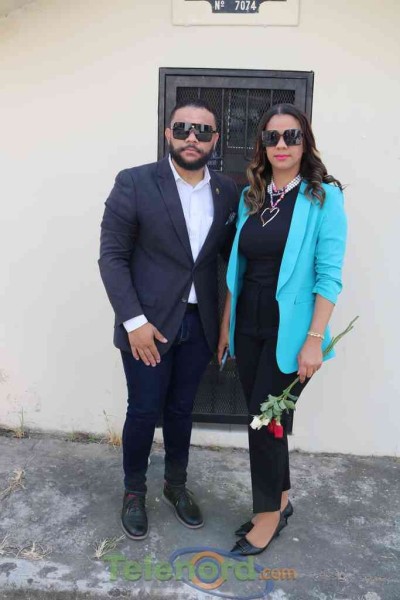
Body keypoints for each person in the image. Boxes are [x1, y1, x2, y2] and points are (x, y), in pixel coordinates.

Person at [98, 99, 238, 540]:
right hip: (149, 326)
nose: (192, 137)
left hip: (200, 323)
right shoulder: (135, 182)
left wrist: (226, 323)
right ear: (168, 134)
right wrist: (133, 322)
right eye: (183, 129)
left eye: (202, 130)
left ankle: (175, 485)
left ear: (215, 140)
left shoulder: (227, 191)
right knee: (143, 410)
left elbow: (231, 260)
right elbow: (112, 257)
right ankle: (134, 491)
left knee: (181, 409)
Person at [217, 103, 347, 556]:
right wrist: (226, 326)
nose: (281, 145)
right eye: (272, 137)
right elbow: (236, 269)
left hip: (291, 333)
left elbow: (329, 276)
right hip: (249, 325)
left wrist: (314, 341)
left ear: (305, 142)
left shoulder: (323, 197)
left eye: (291, 136)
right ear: (262, 145)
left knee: (262, 419)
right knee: (271, 420)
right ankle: (282, 498)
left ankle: (268, 515)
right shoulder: (252, 196)